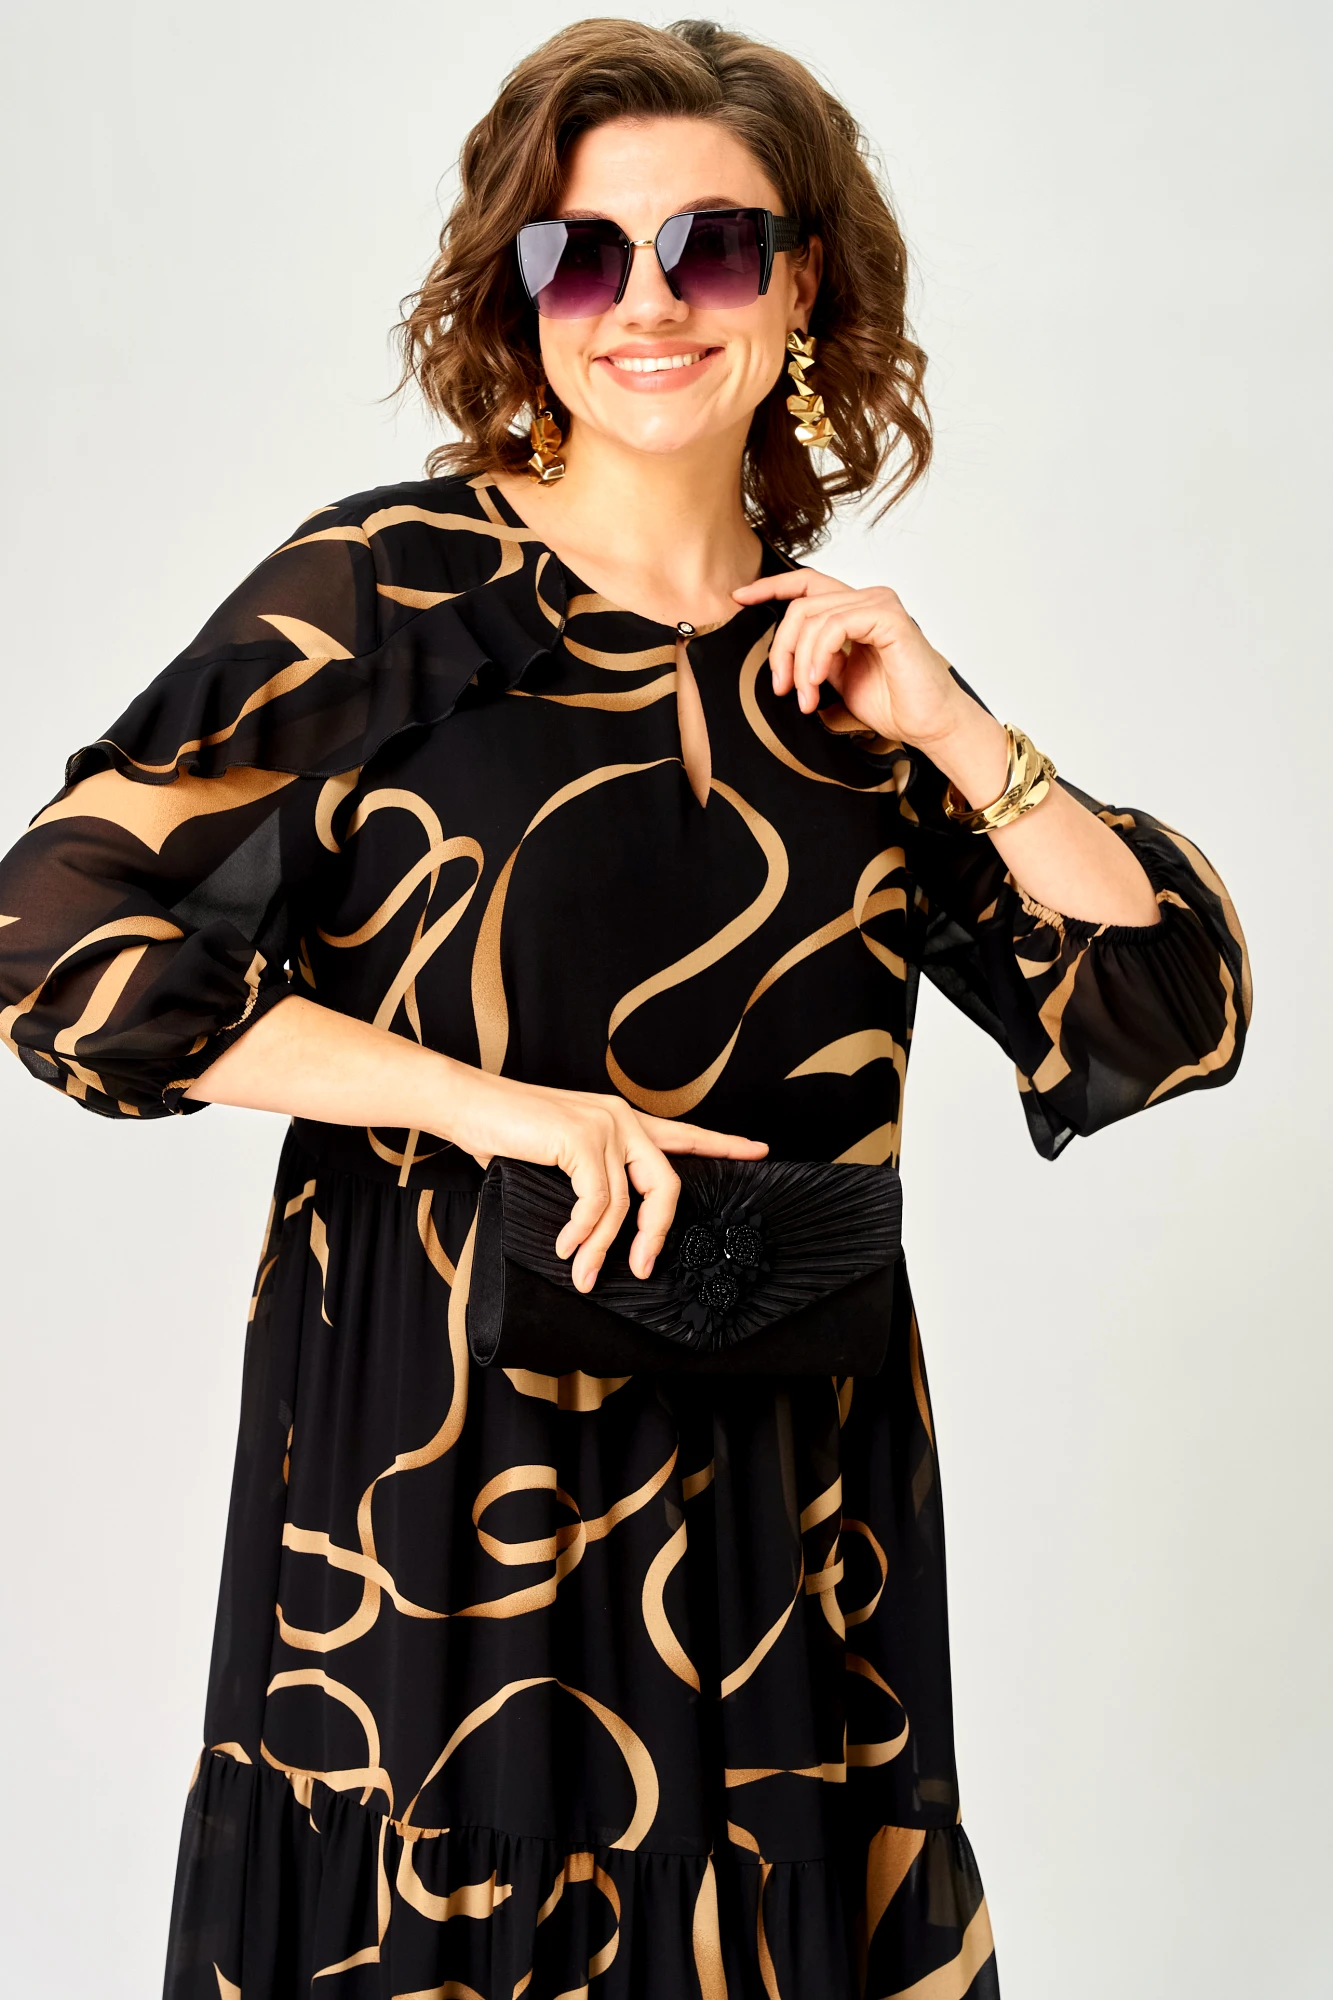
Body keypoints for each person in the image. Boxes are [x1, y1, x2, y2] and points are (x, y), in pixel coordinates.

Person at [0, 17, 1249, 1999]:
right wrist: (504, 1110)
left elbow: (1166, 1007)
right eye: (581, 256)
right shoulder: (400, 589)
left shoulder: (845, 679)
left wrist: (956, 725)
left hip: (781, 1532)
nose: (649, 304)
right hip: (441, 1506)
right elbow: (52, 937)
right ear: (522, 298)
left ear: (802, 287)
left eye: (713, 248)